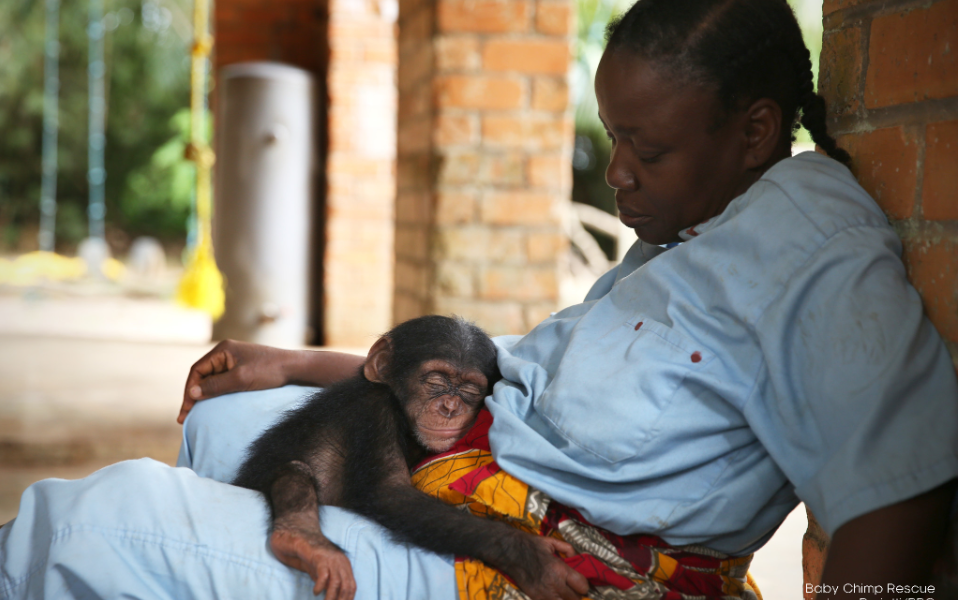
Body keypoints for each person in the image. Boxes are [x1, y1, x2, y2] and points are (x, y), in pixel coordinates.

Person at [1, 0, 956, 597]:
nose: (617, 174)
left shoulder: (814, 253)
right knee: (231, 421)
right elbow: (508, 378)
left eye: (647, 149)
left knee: (92, 527)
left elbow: (896, 494)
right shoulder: (685, 237)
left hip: (517, 559)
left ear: (755, 131)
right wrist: (300, 363)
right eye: (612, 137)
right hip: (472, 472)